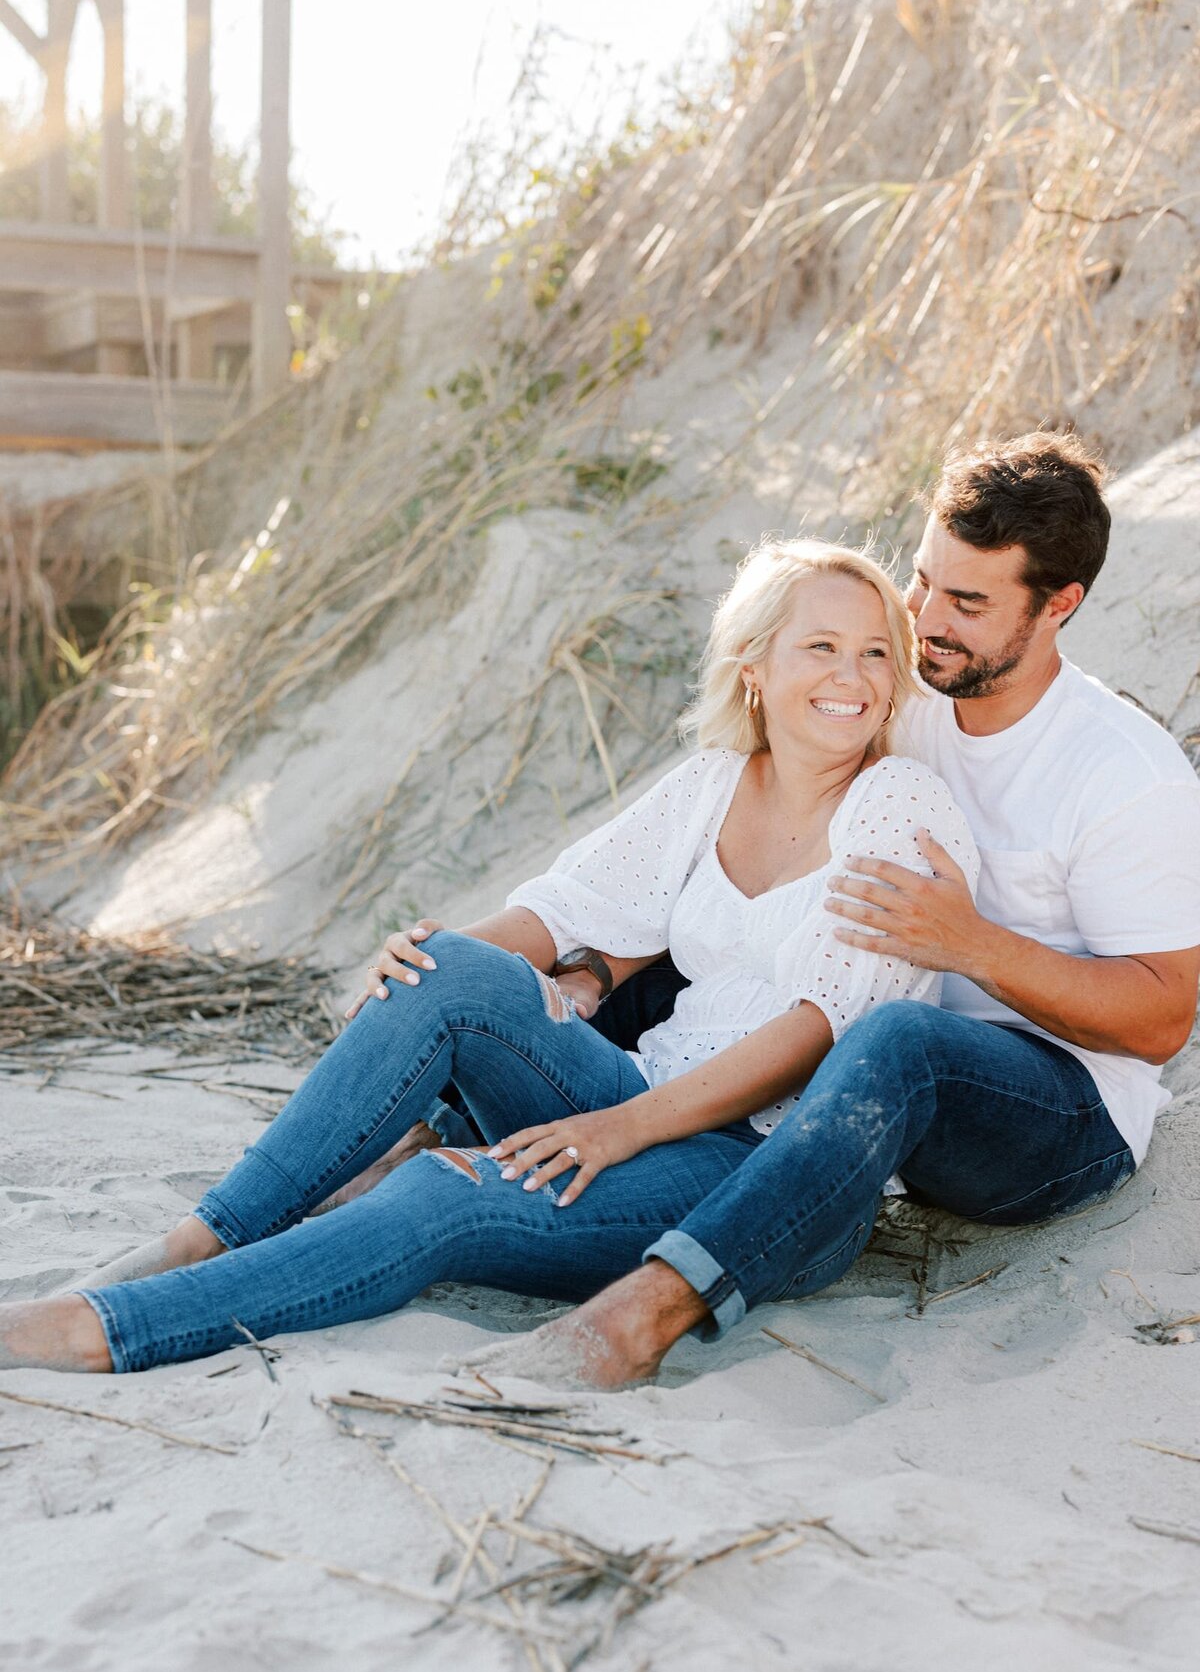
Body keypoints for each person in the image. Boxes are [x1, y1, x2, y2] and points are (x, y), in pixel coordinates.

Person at [0, 540, 979, 1375]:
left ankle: (108, 1330)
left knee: (441, 1191)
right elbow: (559, 911)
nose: (852, 678)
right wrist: (423, 959)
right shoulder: (717, 781)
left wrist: (620, 1129)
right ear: (756, 664)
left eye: (875, 654)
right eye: (822, 646)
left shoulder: (899, 805)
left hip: (750, 1169)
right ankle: (201, 1237)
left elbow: (822, 1031)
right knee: (453, 967)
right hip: (637, 1092)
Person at [458, 431, 1200, 1391]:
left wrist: (973, 945)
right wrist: (598, 969)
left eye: (968, 602)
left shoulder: (1123, 773)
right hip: (860, 1037)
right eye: (925, 581)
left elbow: (1162, 1019)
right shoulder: (899, 686)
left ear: (1060, 605)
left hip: (1052, 1107)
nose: (926, 619)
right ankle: (439, 1143)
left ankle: (651, 1310)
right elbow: (731, 864)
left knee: (895, 1037)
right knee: (713, 960)